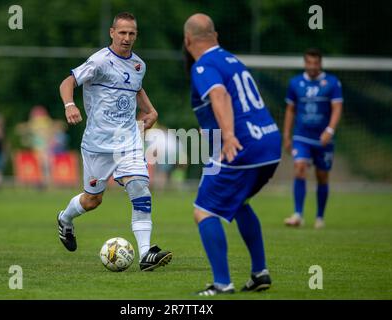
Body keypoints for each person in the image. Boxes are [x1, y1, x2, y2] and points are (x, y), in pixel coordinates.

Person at [57, 12, 172, 272]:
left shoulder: (139, 65)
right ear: (112, 32)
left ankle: (146, 254)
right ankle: (65, 218)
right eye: (122, 32)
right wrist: (69, 104)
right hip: (97, 145)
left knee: (139, 187)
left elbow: (136, 86)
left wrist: (150, 110)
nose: (127, 38)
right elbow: (68, 82)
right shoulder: (99, 61)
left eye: (131, 33)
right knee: (92, 200)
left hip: (127, 141)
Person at [183, 13, 281, 295]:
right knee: (239, 204)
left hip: (241, 145)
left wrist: (227, 135)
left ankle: (222, 283)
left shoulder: (204, 65)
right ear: (215, 35)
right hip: (269, 144)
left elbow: (220, 96)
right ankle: (260, 272)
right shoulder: (233, 60)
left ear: (188, 40)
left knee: (204, 211)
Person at [283, 48, 343, 229]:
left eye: (315, 63)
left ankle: (319, 217)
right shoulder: (295, 83)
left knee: (322, 176)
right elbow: (290, 110)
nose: (312, 66)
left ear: (320, 63)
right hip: (301, 136)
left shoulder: (332, 83)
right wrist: (286, 135)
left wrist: (330, 130)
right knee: (299, 168)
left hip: (323, 138)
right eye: (309, 63)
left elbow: (337, 108)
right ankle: (298, 214)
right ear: (305, 63)